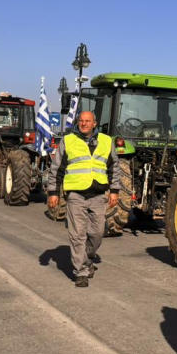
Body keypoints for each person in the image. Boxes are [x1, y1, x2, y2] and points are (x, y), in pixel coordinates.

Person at [46, 111, 120, 288]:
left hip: (98, 195)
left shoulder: (106, 141)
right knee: (77, 235)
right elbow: (56, 169)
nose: (84, 124)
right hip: (76, 196)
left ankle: (86, 259)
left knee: (97, 233)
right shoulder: (68, 140)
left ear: (95, 123)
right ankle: (81, 272)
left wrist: (115, 190)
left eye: (88, 121)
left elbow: (114, 167)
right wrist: (53, 193)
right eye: (81, 121)